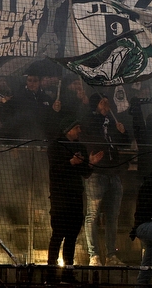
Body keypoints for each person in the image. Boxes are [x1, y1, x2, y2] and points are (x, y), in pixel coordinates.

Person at [47, 119, 103, 279]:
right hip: (60, 199)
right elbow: (55, 170)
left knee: (72, 236)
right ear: (68, 129)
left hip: (76, 198)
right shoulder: (55, 146)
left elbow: (85, 173)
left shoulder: (80, 147)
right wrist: (71, 162)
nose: (79, 130)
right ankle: (51, 273)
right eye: (77, 127)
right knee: (58, 235)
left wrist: (90, 164)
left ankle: (67, 272)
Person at [81, 92, 131, 266]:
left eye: (108, 102)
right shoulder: (90, 120)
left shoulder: (113, 122)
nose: (106, 105)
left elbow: (124, 142)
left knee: (112, 216)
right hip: (97, 173)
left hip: (113, 173)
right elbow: (88, 130)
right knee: (92, 215)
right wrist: (99, 114)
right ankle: (93, 255)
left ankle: (111, 255)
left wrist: (123, 133)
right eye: (103, 102)